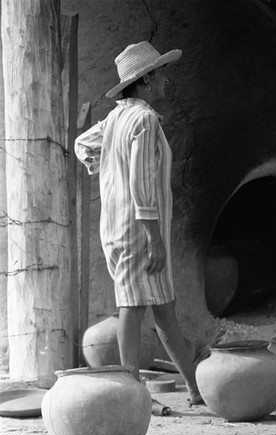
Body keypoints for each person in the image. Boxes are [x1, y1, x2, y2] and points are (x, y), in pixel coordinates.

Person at [75, 41, 203, 415]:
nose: (165, 80)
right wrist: (154, 239)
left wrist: (107, 170)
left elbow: (84, 144)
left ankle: (195, 388)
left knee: (165, 310)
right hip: (137, 232)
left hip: (119, 227)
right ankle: (132, 394)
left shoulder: (116, 118)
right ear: (146, 79)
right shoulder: (143, 120)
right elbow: (143, 184)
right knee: (131, 308)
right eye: (160, 74)